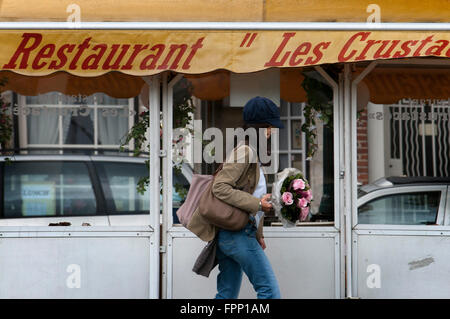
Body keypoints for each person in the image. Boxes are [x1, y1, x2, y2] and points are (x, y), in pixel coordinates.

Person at [211, 96, 284, 299]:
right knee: (270, 293)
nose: (272, 132)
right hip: (237, 234)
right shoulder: (245, 151)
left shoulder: (252, 151)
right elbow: (220, 187)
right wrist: (258, 203)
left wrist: (259, 233)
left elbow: (252, 194)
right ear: (261, 127)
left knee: (226, 296)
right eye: (270, 127)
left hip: (232, 234)